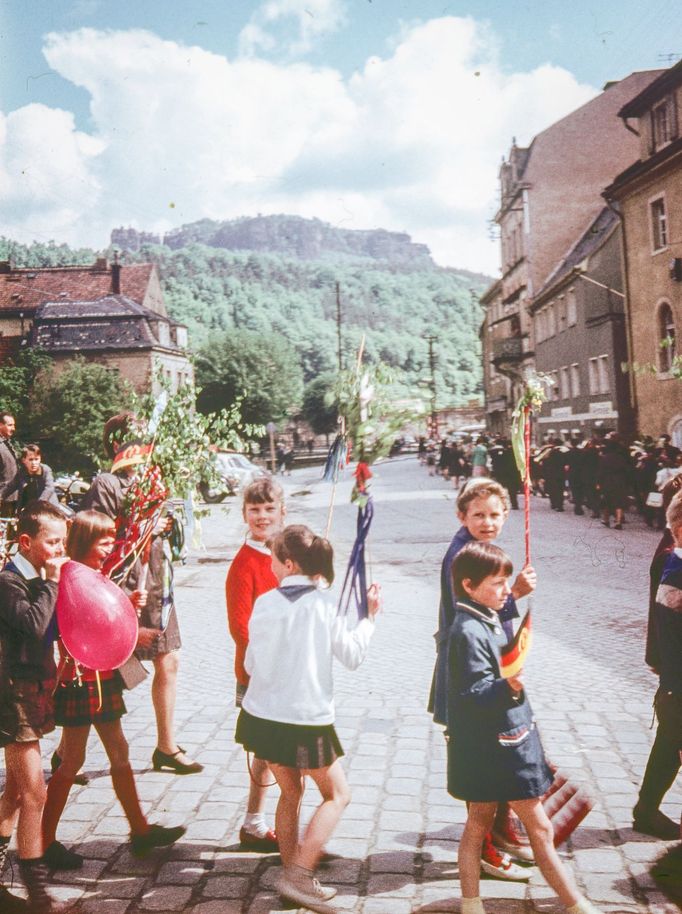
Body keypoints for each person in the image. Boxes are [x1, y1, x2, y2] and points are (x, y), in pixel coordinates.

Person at [448, 541, 603, 914]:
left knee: (478, 824)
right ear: (468, 586)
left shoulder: (482, 617)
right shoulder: (467, 631)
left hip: (492, 746)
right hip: (499, 750)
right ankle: (575, 904)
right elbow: (470, 694)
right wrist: (509, 685)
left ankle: (472, 904)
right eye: (497, 584)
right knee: (539, 829)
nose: (506, 590)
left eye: (506, 582)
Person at [235, 525, 382, 913]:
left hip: (264, 716)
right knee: (337, 795)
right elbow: (352, 656)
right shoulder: (324, 604)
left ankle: (293, 873)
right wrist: (368, 620)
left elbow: (251, 663)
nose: (269, 567)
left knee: (290, 793)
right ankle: (298, 875)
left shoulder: (266, 602)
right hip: (303, 719)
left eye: (272, 561)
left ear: (288, 563)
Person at [41, 511, 186, 870]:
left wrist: (127, 608)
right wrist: (138, 633)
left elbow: (105, 617)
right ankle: (44, 841)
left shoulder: (90, 574)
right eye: (103, 539)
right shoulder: (72, 577)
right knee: (72, 760)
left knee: (118, 751)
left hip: (98, 675)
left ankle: (139, 829)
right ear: (86, 541)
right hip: (82, 677)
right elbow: (87, 627)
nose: (110, 545)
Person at [81, 413, 203, 776]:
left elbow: (166, 528)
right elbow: (94, 532)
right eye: (134, 439)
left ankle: (166, 746)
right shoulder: (106, 482)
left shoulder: (153, 479)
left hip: (155, 578)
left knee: (169, 659)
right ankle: (65, 752)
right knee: (103, 667)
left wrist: (166, 524)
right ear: (117, 443)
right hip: (122, 580)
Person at [428, 477, 536, 878]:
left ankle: (500, 830)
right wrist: (517, 594)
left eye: (494, 514)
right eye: (479, 515)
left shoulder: (479, 549)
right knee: (482, 758)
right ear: (462, 516)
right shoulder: (464, 557)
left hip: (492, 667)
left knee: (500, 749)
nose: (487, 522)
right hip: (472, 674)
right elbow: (470, 616)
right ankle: (486, 847)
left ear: (506, 515)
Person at [0, 500, 69, 913]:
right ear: (26, 542)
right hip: (12, 696)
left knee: (13, 792)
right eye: (53, 542)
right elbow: (32, 623)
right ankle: (39, 895)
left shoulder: (39, 578)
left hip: (32, 691)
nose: (60, 550)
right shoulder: (8, 582)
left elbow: (51, 626)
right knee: (35, 794)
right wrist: (53, 583)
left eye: (63, 542)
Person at [225, 478, 286, 852]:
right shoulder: (245, 563)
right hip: (261, 671)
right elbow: (240, 626)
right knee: (273, 751)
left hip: (288, 669)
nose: (262, 516)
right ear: (244, 514)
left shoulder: (287, 554)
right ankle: (275, 829)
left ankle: (255, 823)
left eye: (269, 508)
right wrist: (269, 663)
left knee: (268, 752)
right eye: (254, 510)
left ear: (282, 511)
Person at [633, 492, 682, 840]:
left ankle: (646, 809)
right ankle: (646, 809)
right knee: (670, 743)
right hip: (678, 682)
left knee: (670, 745)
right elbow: (670, 633)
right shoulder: (676, 570)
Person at [7, 446, 61, 513]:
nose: (34, 463)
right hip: (30, 510)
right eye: (31, 459)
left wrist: (38, 504)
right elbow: (10, 487)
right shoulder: (22, 472)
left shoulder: (45, 470)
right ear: (23, 460)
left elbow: (49, 488)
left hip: (48, 509)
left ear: (40, 459)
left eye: (36, 459)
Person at [0, 412, 19, 517]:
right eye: (10, 425)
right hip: (3, 498)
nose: (13, 428)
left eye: (14, 425)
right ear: (0, 425)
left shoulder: (7, 443)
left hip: (12, 497)